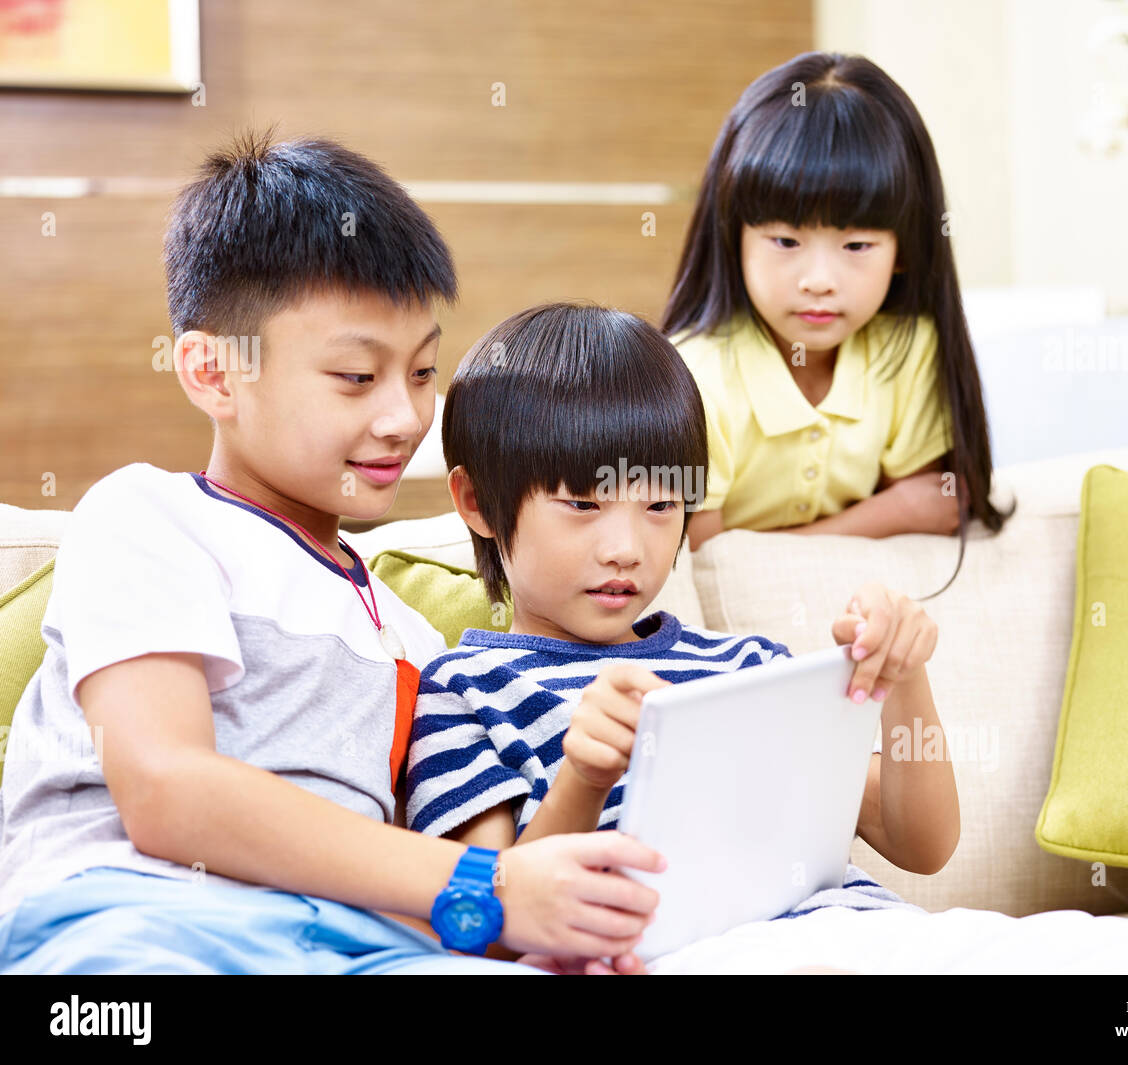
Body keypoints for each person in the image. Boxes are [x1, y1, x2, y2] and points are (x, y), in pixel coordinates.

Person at [405, 300, 1128, 974]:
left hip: (873, 939)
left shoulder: (743, 666)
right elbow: (488, 922)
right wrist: (583, 776)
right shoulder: (463, 689)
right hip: (694, 957)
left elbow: (921, 844)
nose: (627, 547)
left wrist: (904, 680)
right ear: (478, 503)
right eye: (584, 505)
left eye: (659, 505)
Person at [0, 133, 663, 976]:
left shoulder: (416, 644)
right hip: (137, 919)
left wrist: (554, 923)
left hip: (358, 947)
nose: (403, 417)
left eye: (423, 373)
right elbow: (169, 791)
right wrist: (485, 881)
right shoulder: (149, 517)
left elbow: (460, 902)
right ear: (213, 373)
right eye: (356, 377)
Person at [662, 51, 1014, 594]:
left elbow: (940, 503)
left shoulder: (908, 346)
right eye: (785, 241)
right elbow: (701, 562)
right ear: (734, 237)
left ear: (903, 249)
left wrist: (771, 541)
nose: (819, 280)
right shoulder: (697, 375)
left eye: (856, 244)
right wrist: (882, 515)